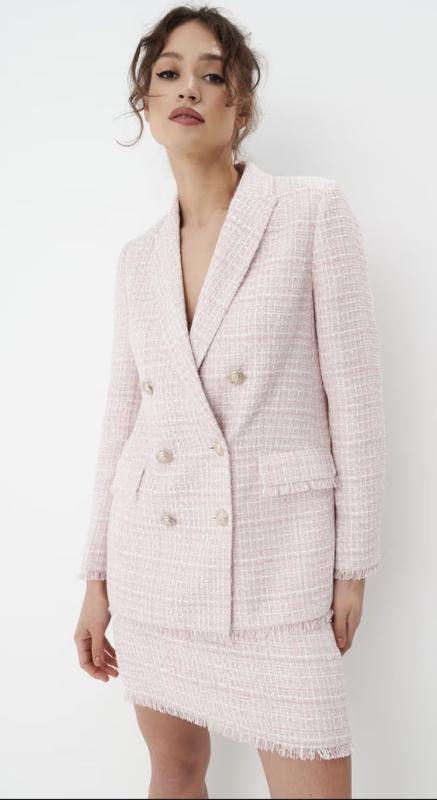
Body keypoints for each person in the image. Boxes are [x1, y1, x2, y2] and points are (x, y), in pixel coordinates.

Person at [74, 5, 386, 799]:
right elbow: (122, 421)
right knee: (175, 773)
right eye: (168, 73)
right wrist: (95, 579)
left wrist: (352, 567)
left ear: (238, 104)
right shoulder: (137, 259)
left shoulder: (310, 211)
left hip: (278, 564)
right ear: (145, 103)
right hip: (155, 564)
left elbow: (354, 400)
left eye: (210, 75)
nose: (188, 89)